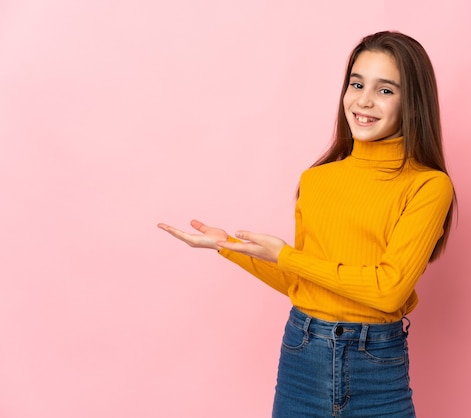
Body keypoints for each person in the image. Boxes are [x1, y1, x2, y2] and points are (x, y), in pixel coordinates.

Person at [158, 30, 455, 418]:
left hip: (377, 363)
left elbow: (388, 291)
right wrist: (226, 245)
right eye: (356, 83)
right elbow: (304, 282)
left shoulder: (428, 185)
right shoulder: (318, 180)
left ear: (412, 103)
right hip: (303, 353)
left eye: (386, 90)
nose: (363, 100)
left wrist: (285, 256)